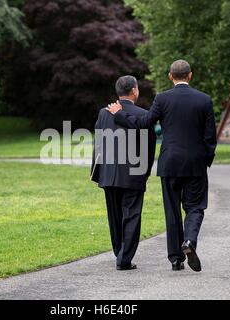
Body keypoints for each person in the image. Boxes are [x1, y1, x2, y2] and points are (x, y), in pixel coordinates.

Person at [106, 60, 217, 272]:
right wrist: (206, 160)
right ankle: (190, 241)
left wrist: (119, 114)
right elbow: (210, 137)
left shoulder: (162, 98)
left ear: (170, 76)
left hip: (169, 163)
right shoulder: (204, 100)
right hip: (195, 164)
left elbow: (143, 123)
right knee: (195, 207)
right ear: (190, 75)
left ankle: (176, 259)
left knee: (172, 210)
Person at [91, 75, 156, 271]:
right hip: (133, 173)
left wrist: (97, 172)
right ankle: (124, 258)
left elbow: (98, 144)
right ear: (134, 90)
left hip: (109, 174)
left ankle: (119, 252)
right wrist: (145, 172)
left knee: (114, 216)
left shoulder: (104, 113)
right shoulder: (143, 114)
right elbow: (149, 147)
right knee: (131, 215)